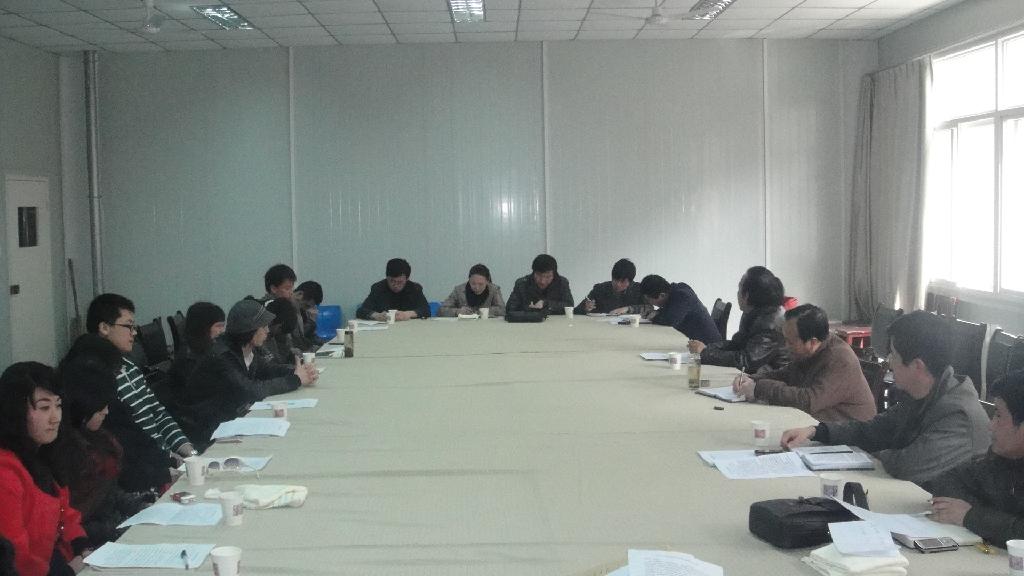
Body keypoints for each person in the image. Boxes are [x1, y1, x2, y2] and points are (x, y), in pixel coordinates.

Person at [780, 310, 991, 489]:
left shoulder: (958, 415)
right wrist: (817, 431)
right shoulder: (919, 394)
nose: (889, 363)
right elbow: (873, 430)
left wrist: (870, 455)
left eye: (893, 356)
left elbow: (909, 466)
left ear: (918, 366)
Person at [86, 294, 197, 490]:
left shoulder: (128, 366)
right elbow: (128, 441)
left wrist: (187, 451)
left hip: (165, 461)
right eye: (128, 326)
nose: (134, 333)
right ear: (104, 328)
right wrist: (169, 462)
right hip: (144, 472)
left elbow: (158, 413)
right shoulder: (98, 378)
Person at [181, 299, 318, 444]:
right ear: (249, 330)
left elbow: (267, 370)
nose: (267, 331)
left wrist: (297, 370)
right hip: (208, 427)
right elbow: (249, 390)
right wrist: (295, 379)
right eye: (263, 327)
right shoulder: (222, 356)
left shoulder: (246, 348)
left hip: (230, 416)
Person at [59, 339, 151, 548]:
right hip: (92, 541)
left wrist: (140, 507)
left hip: (114, 526)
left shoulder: (99, 438)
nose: (106, 412)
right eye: (101, 406)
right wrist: (120, 529)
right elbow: (77, 520)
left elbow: (109, 492)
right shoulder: (68, 452)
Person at [0, 362, 89, 576]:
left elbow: (64, 515)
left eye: (58, 406)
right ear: (16, 411)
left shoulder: (44, 454)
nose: (55, 418)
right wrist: (68, 571)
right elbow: (15, 557)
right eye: (44, 408)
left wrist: (82, 548)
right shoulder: (5, 472)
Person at [732, 304, 875, 422]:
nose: (786, 346)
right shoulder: (812, 349)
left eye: (790, 342)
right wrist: (751, 379)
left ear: (812, 342)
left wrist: (760, 388)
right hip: (816, 423)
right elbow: (787, 374)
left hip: (848, 436)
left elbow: (809, 401)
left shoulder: (840, 360)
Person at [929, 370, 1024, 547]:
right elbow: (946, 480)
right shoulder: (1003, 458)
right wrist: (996, 520)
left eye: (999, 415)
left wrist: (971, 516)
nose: (991, 426)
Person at [689, 266, 789, 374]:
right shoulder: (752, 312)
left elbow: (746, 361)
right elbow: (737, 344)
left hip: (773, 378)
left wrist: (705, 353)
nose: (737, 293)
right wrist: (706, 348)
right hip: (755, 374)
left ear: (746, 296)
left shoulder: (771, 324)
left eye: (739, 288)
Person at [639, 275, 721, 344]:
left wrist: (653, 316)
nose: (649, 303)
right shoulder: (675, 290)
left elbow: (670, 320)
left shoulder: (682, 295)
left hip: (707, 347)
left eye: (649, 300)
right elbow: (669, 311)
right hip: (691, 341)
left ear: (662, 295)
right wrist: (655, 313)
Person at [168, 302, 225, 389]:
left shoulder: (202, 347)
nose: (222, 330)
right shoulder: (190, 360)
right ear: (203, 327)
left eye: (223, 325)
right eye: (218, 326)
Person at [356, 258, 431, 321]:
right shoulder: (378, 288)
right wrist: (376, 315)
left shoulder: (414, 288)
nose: (395, 285)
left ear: (407, 279)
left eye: (400, 282)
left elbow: (426, 311)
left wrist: (408, 314)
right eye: (392, 281)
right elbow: (361, 311)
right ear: (387, 277)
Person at [573, 258, 650, 316]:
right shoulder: (600, 289)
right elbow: (575, 310)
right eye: (616, 280)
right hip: (603, 328)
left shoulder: (638, 289)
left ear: (630, 281)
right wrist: (585, 308)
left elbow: (649, 308)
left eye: (622, 282)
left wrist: (627, 309)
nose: (618, 284)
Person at [506, 254, 574, 315]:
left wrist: (546, 303)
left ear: (554, 274)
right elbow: (510, 309)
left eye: (548, 277)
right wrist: (529, 309)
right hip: (529, 322)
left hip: (556, 322)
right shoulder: (522, 284)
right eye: (539, 275)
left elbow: (569, 305)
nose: (542, 281)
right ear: (533, 272)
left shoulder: (562, 282)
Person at [437, 264, 506, 318]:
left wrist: (484, 311)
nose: (477, 287)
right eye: (473, 283)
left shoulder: (494, 290)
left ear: (487, 282)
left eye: (481, 284)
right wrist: (457, 311)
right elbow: (441, 310)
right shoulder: (459, 290)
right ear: (469, 280)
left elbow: (503, 310)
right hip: (463, 326)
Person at [262, 297, 300, 365]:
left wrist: (291, 353)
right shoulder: (260, 339)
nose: (267, 330)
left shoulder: (272, 336)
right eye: (279, 328)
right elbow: (271, 366)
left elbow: (278, 361)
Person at [293, 280, 324, 348]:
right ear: (299, 294)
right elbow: (295, 341)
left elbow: (308, 336)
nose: (306, 309)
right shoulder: (284, 309)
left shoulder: (302, 311)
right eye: (306, 305)